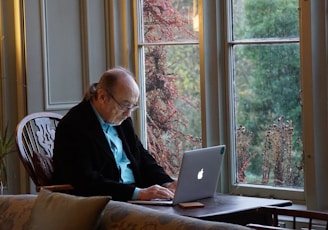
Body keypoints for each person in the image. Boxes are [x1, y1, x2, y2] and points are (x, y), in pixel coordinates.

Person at [53, 67, 176, 201]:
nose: (128, 113)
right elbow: (86, 181)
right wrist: (138, 193)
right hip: (105, 204)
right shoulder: (73, 127)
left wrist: (167, 183)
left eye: (132, 106)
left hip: (136, 199)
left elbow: (142, 158)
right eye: (124, 105)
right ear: (102, 97)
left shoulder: (122, 121)